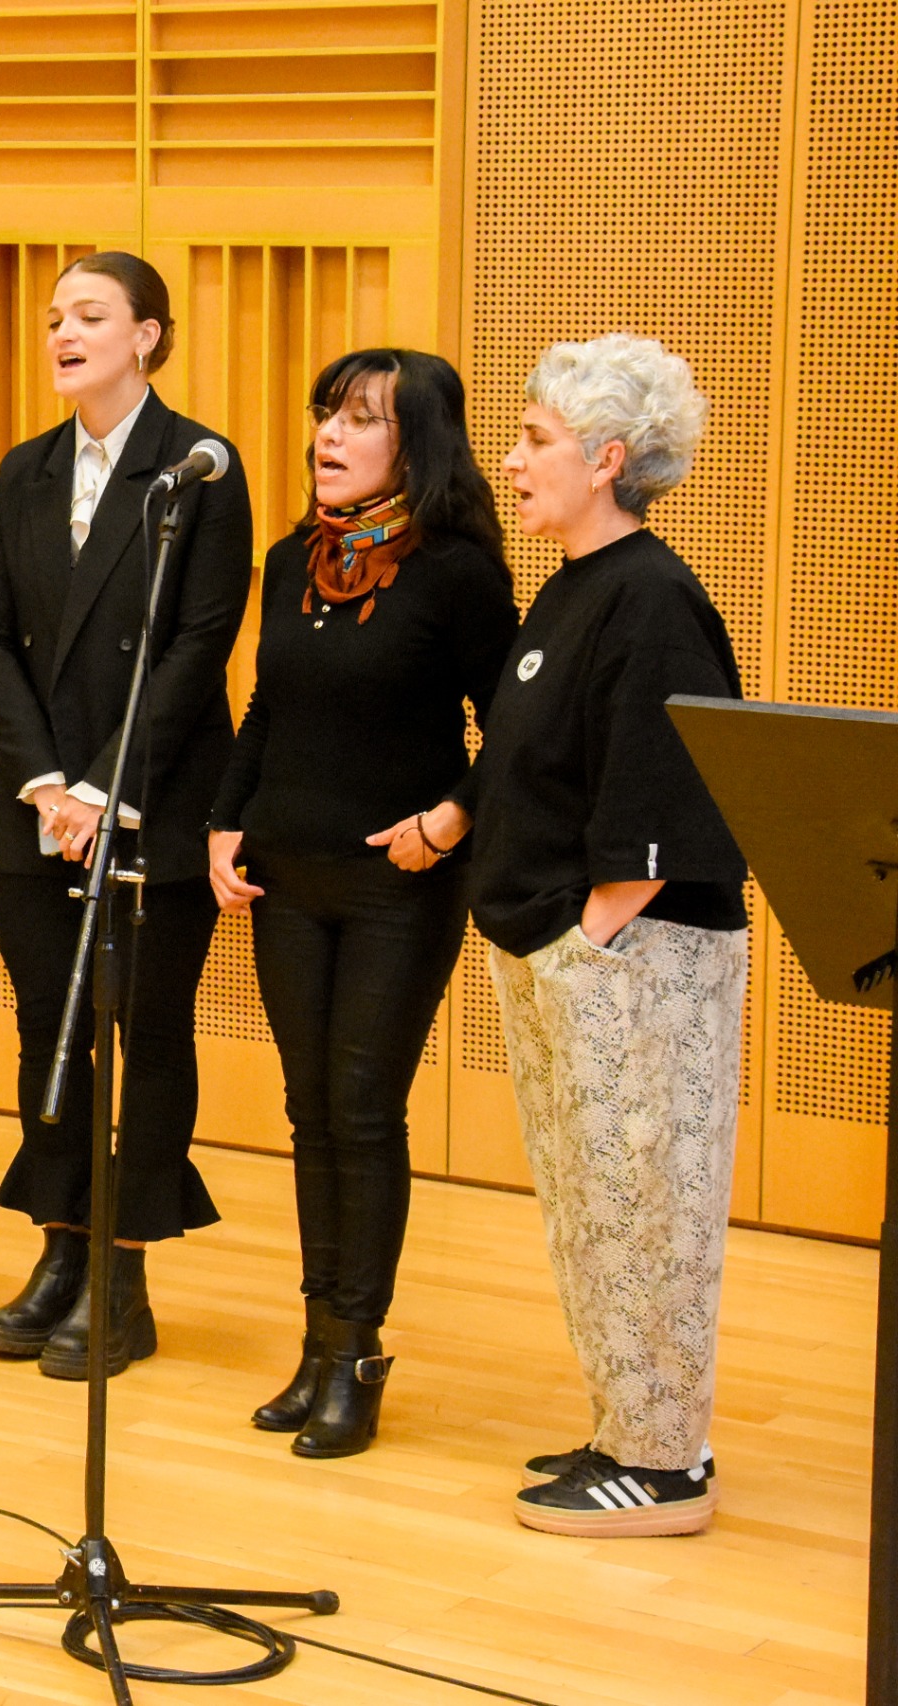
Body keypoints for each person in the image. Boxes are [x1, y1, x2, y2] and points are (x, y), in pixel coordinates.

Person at [205, 350, 518, 1456]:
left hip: (398, 886)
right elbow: (265, 707)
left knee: (362, 1108)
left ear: (415, 444)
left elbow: (515, 728)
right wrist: (226, 818)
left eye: (360, 419)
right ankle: (316, 1342)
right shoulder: (292, 557)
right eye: (325, 415)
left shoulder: (458, 574)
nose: (328, 436)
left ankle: (357, 1353)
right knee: (308, 1112)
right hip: (287, 877)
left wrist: (450, 818)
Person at [467, 334, 743, 1536]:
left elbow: (661, 802)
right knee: (591, 1209)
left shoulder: (655, 598)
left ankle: (665, 1463)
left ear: (607, 458)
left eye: (534, 439)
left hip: (632, 962)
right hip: (559, 954)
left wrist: (588, 941)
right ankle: (625, 1426)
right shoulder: (572, 586)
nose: (512, 460)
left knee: (646, 1211)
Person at [0, 251, 252, 1379]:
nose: (63, 333)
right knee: (49, 1027)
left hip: (154, 804)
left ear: (147, 336)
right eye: (54, 317)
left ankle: (122, 1276)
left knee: (148, 1033)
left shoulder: (199, 467)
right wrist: (44, 780)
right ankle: (60, 1247)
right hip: (36, 808)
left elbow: (199, 645)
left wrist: (101, 786)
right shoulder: (24, 469)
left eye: (89, 314)